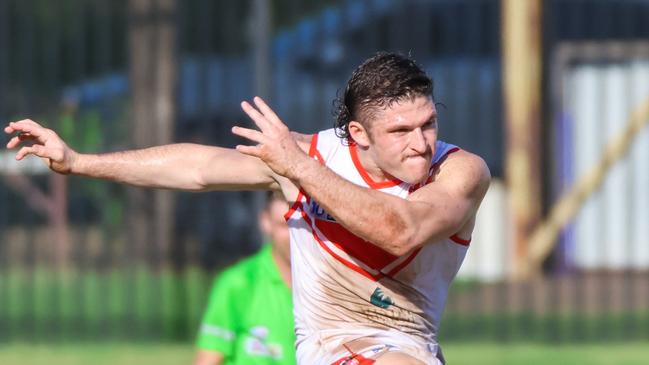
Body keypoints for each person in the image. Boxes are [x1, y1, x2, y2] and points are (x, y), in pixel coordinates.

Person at [5, 52, 490, 365]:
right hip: (324, 350)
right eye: (400, 132)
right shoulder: (312, 156)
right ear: (359, 135)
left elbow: (401, 230)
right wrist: (79, 161)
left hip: (404, 348)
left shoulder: (460, 171)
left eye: (427, 124)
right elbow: (198, 167)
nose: (421, 144)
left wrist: (297, 170)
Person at [195, 191, 296, 365]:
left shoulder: (331, 285)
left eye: (300, 227)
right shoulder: (237, 283)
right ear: (265, 222)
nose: (293, 235)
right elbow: (207, 360)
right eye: (284, 226)